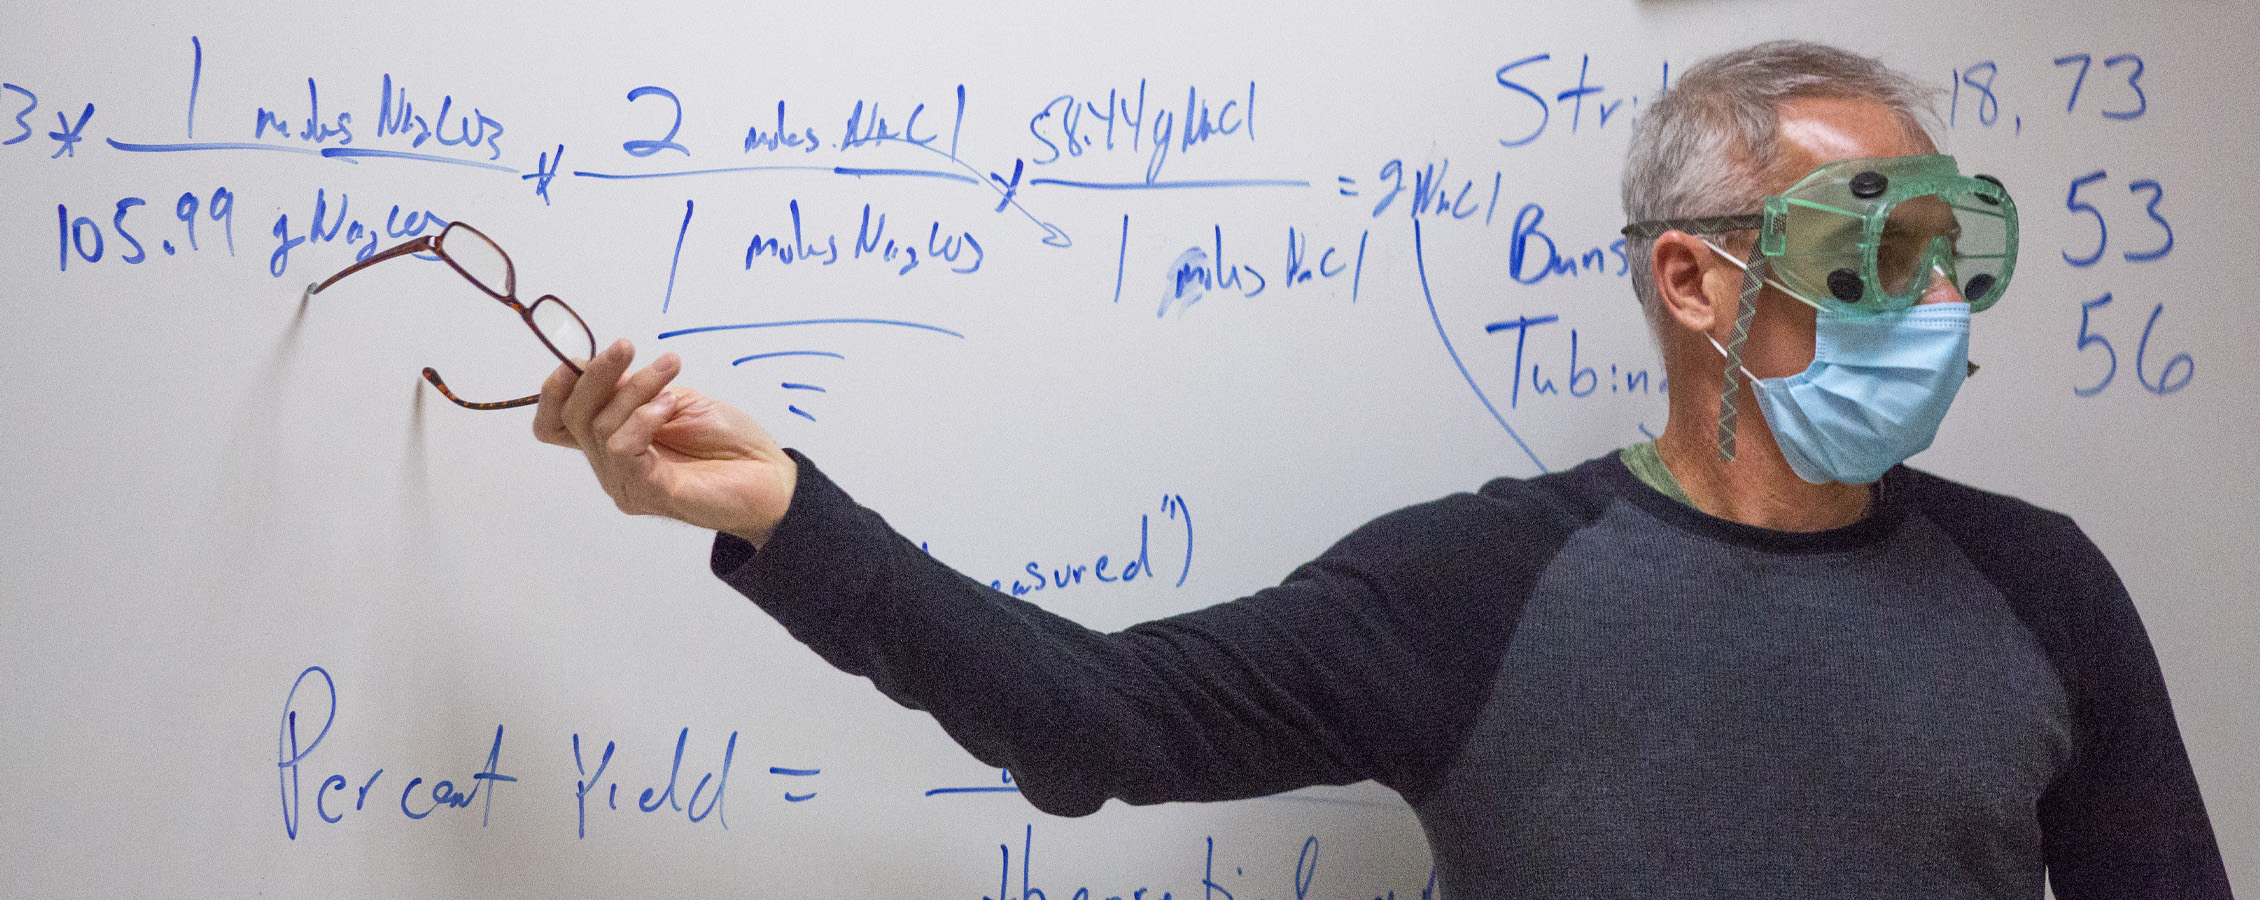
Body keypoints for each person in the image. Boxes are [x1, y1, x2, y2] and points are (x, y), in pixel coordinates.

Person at [533, 41, 2231, 900]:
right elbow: (1095, 717)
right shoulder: (1481, 589)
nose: (1932, 304)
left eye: (1955, 255)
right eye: (1877, 250)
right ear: (1695, 282)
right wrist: (787, 518)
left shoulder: (2045, 583)